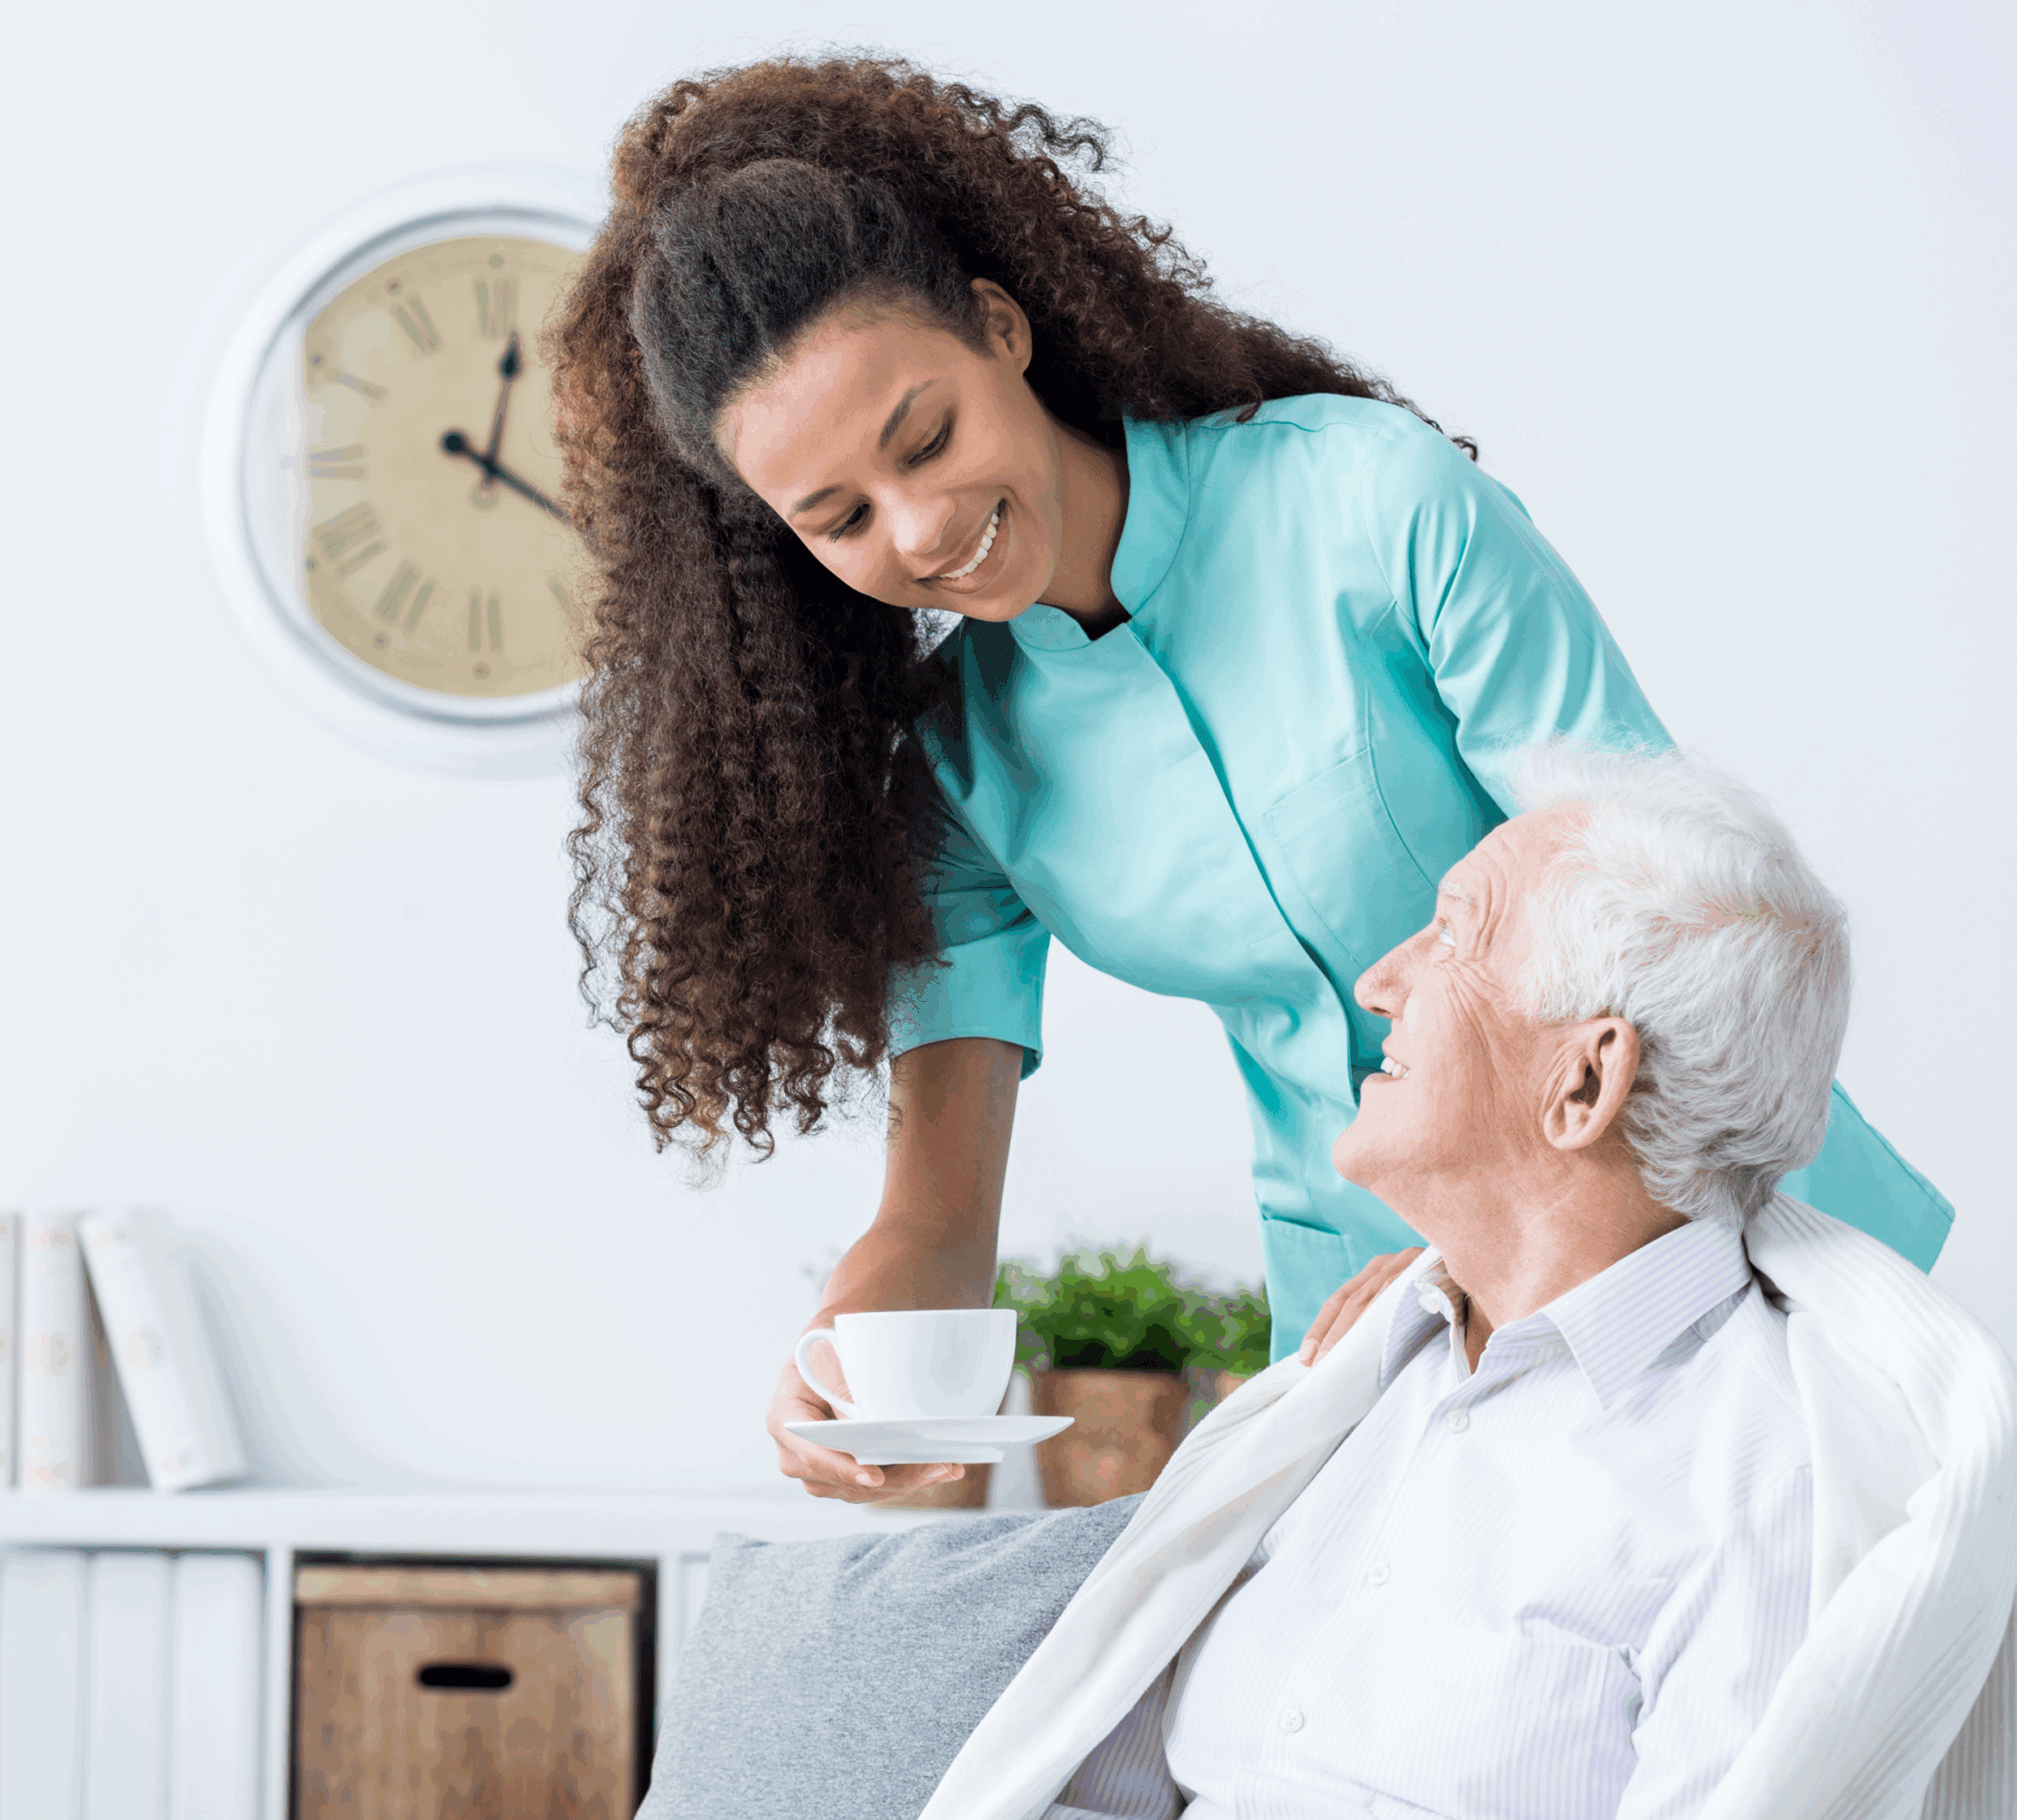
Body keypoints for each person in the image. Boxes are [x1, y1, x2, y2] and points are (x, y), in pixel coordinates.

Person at [548, 56, 1951, 1504]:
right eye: (839, 517)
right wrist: (849, 1359)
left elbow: (1669, 920)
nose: (918, 528)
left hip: (1718, 1240)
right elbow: (938, 1216)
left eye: (928, 438)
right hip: (1374, 1331)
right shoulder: (960, 768)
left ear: (999, 328)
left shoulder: (1369, 504)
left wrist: (1495, 1254)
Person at [918, 746, 2017, 1820]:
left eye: (1450, 934)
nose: (1376, 983)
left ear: (1584, 1081)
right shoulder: (1357, 1378)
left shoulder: (1765, 1491)